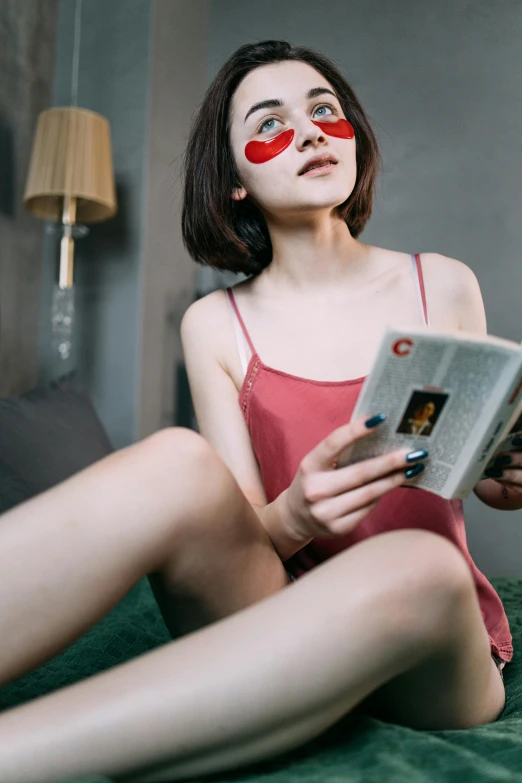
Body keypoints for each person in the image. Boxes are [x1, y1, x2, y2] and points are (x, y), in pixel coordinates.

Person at [0, 39, 521, 783]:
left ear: (352, 139)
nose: (309, 132)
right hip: (276, 621)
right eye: (271, 123)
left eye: (324, 113)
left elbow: (474, 469)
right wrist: (299, 513)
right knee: (177, 458)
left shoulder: (442, 283)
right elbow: (246, 532)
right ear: (236, 177)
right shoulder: (214, 324)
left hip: (425, 638)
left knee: (423, 565)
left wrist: (507, 475)